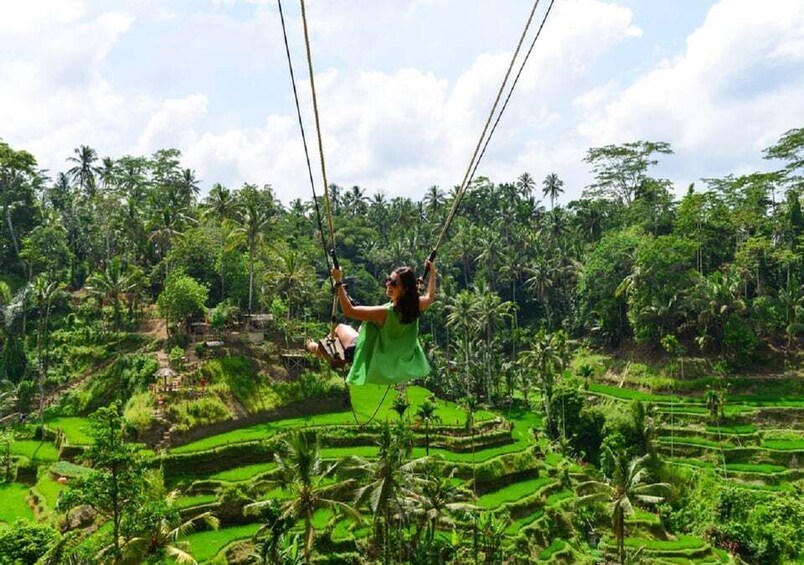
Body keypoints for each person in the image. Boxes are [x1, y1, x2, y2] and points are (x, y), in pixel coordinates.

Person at [306, 259, 437, 385]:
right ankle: (320, 350)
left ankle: (317, 349)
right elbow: (430, 296)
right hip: (395, 363)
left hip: (370, 357)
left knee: (340, 328)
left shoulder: (385, 313)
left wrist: (339, 282)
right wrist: (432, 271)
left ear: (405, 289)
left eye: (394, 283)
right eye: (388, 280)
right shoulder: (417, 306)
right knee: (357, 331)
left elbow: (349, 311)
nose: (388, 285)